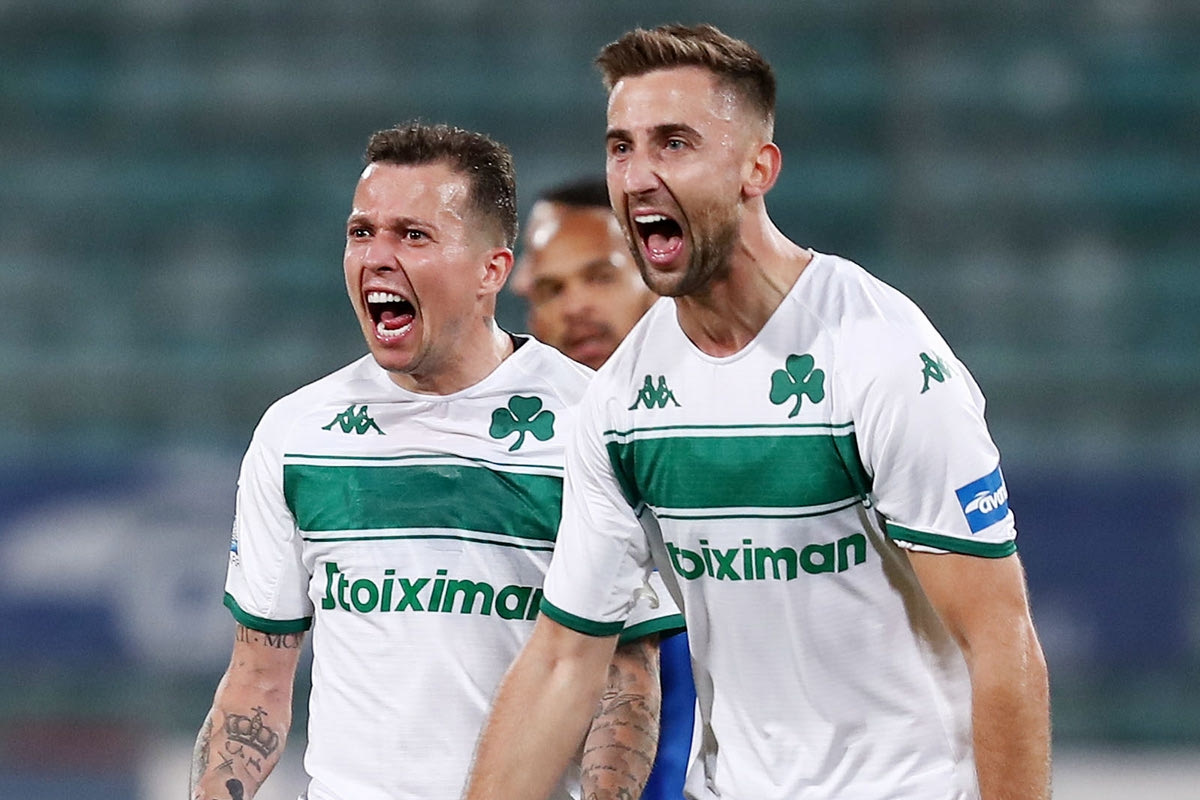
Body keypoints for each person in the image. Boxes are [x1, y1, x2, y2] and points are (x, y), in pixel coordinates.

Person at [464, 24, 1051, 800]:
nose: (638, 176)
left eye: (674, 144)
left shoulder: (879, 357)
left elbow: (1000, 640)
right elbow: (563, 660)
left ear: (757, 168)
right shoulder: (623, 400)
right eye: (621, 147)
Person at [189, 121, 684, 800]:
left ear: (492, 271)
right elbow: (256, 681)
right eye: (362, 232)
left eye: (413, 235)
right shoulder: (297, 432)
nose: (377, 257)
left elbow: (626, 682)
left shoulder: (589, 424)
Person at [513, 178, 696, 800]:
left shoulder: (724, 426)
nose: (575, 308)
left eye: (599, 276)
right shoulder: (522, 461)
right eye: (551, 289)